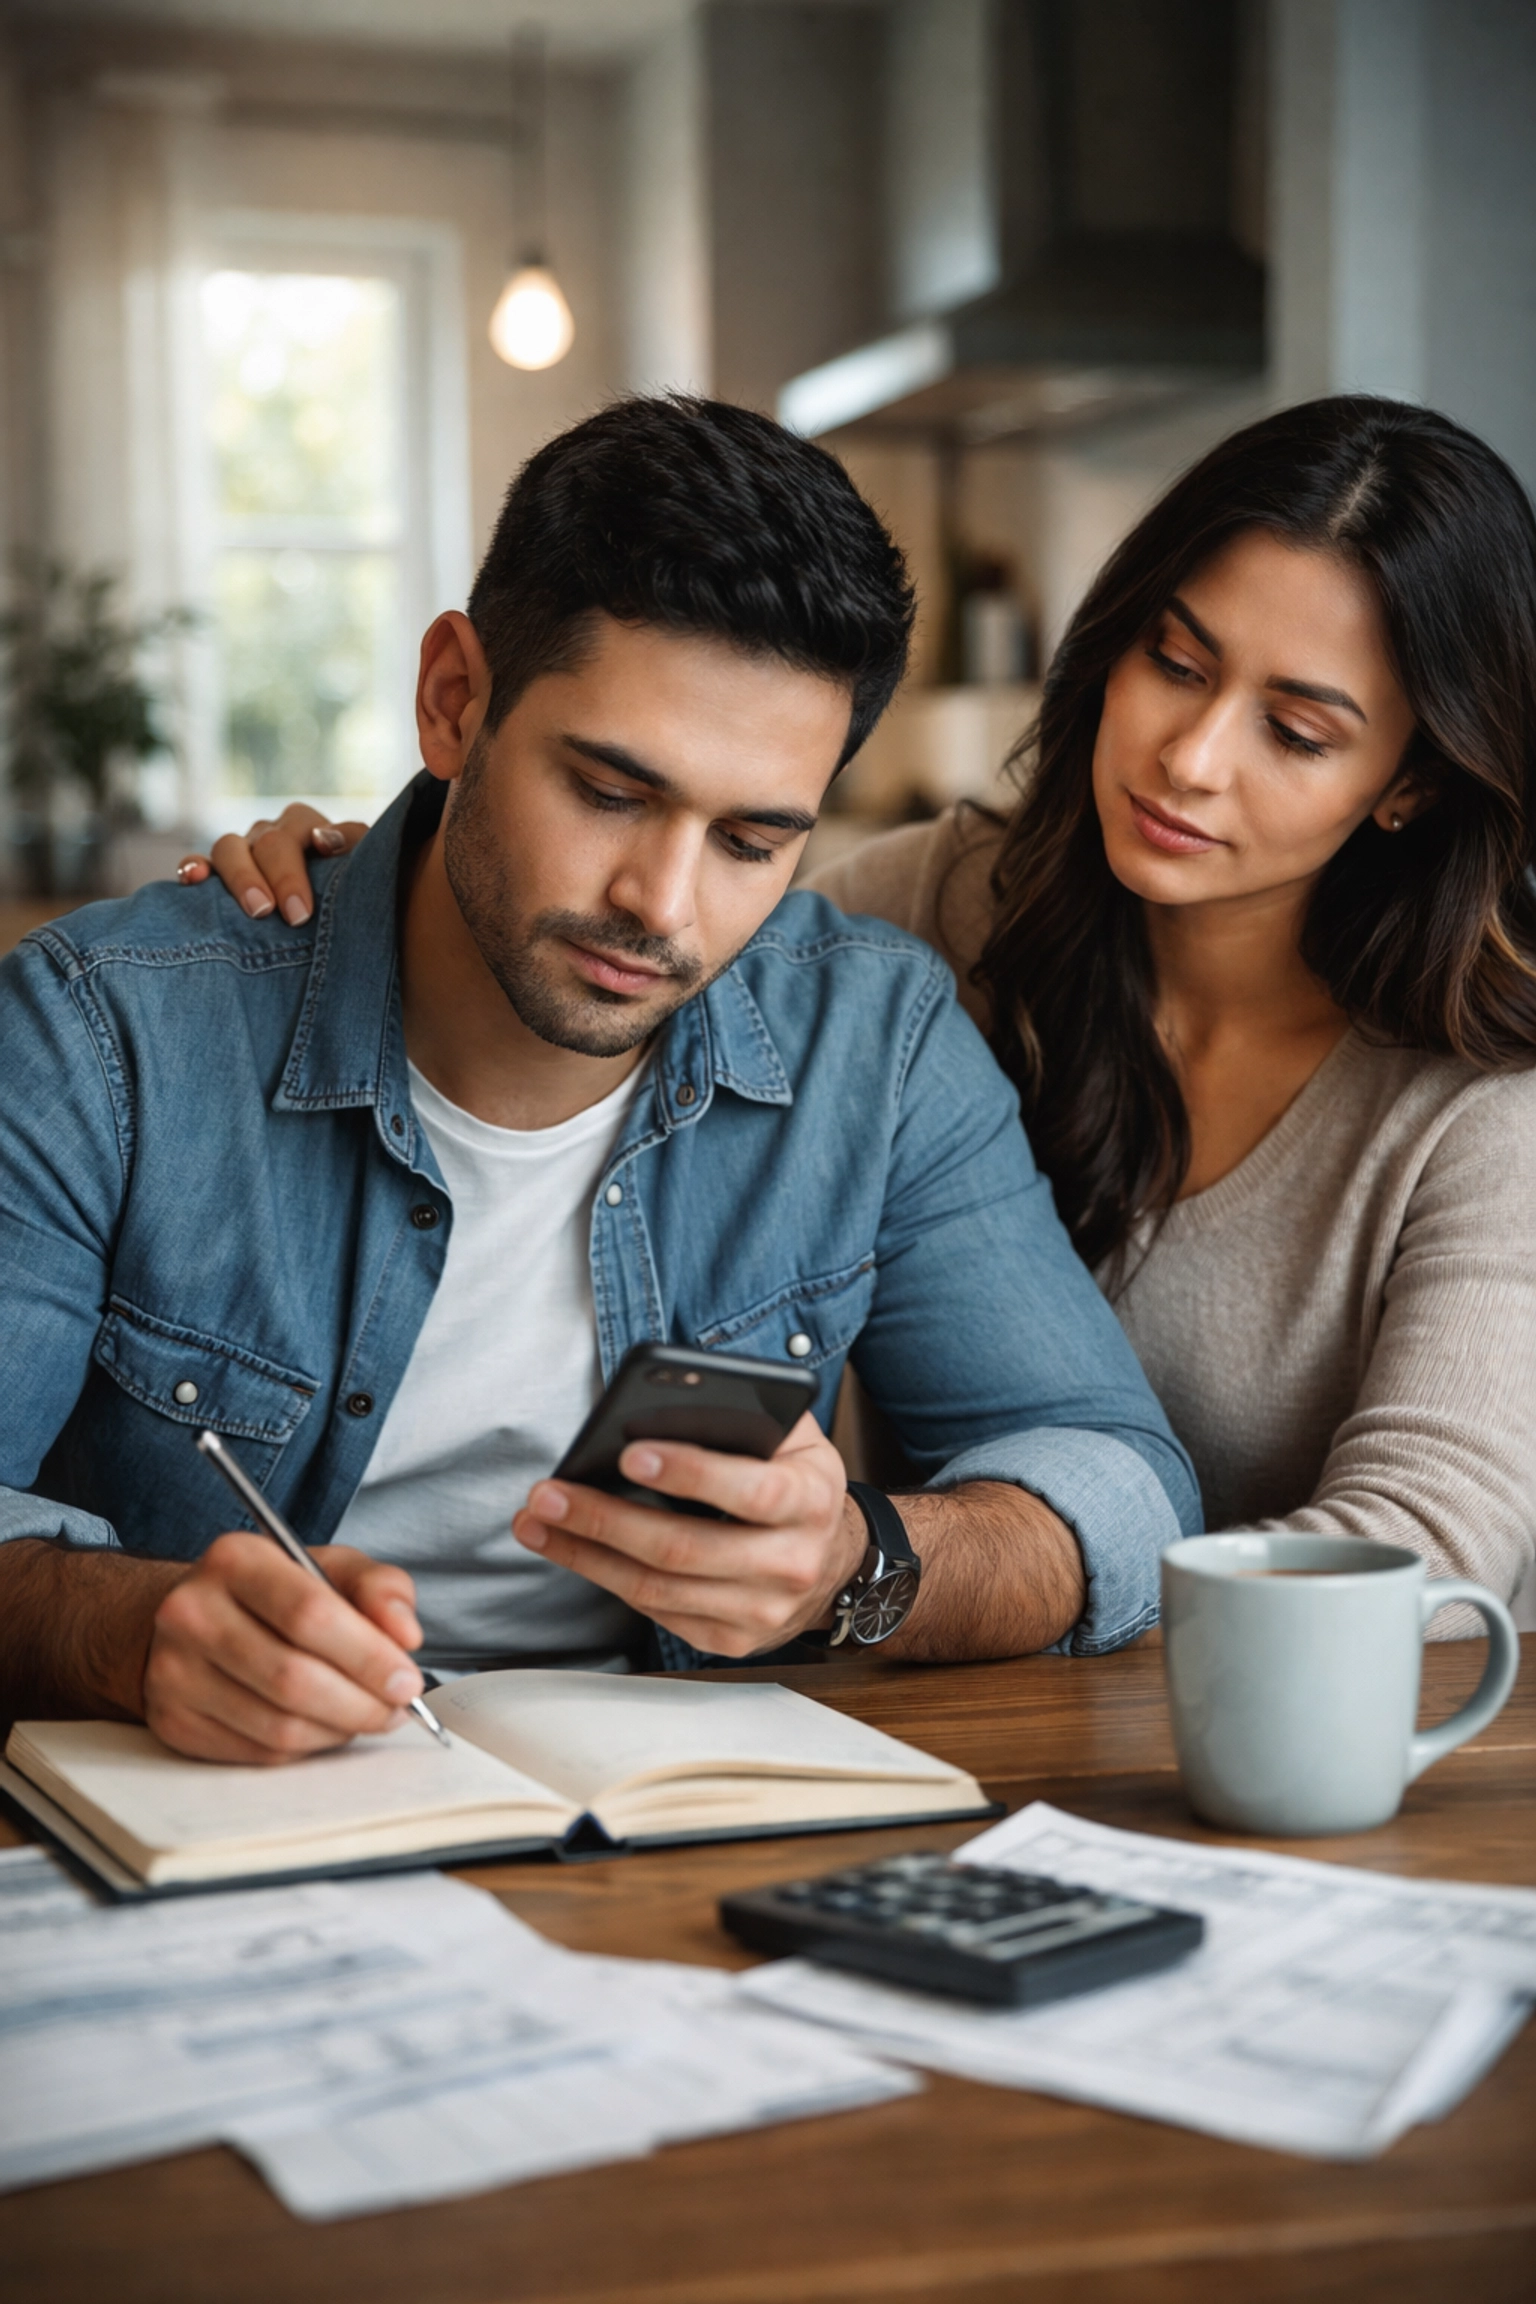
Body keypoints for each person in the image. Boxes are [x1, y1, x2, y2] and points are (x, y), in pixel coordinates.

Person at [0, 395, 1199, 1765]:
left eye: (752, 841)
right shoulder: (104, 1032)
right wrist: (132, 1634)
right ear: (455, 701)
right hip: (220, 1812)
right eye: (612, 794)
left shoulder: (874, 1042)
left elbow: (1121, 1487)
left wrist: (857, 1562)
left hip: (679, 1816)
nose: (662, 906)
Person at [228, 397, 1536, 1632]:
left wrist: (958, 1573)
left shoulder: (1480, 1105)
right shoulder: (930, 909)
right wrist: (382, 881)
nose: (1190, 758)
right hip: (979, 1696)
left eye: (1296, 732)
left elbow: (1435, 1551)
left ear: (1411, 783)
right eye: (1176, 662)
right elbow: (650, 926)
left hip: (1293, 1711)